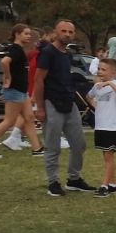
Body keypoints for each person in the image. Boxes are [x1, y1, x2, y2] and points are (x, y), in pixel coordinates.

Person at [33, 20, 91, 197]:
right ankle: (53, 182)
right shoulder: (48, 53)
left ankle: (74, 179)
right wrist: (40, 107)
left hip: (69, 102)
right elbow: (38, 80)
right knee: (53, 146)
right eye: (63, 31)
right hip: (52, 103)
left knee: (79, 144)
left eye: (70, 32)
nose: (67, 34)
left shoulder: (68, 54)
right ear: (55, 32)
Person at [0, 24, 42, 159]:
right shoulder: (16, 49)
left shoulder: (19, 50)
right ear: (17, 34)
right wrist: (8, 77)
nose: (29, 36)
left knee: (29, 118)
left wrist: (4, 85)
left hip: (21, 91)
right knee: (9, 121)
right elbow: (4, 62)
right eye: (26, 34)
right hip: (15, 91)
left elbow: (10, 67)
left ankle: (37, 149)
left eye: (29, 34)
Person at [87, 59, 116, 197]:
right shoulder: (97, 86)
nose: (100, 71)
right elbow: (89, 96)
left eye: (104, 69)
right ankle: (113, 184)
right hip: (100, 126)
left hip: (112, 127)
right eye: (99, 69)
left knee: (108, 157)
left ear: (113, 72)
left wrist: (110, 83)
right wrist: (96, 106)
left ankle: (104, 186)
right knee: (106, 156)